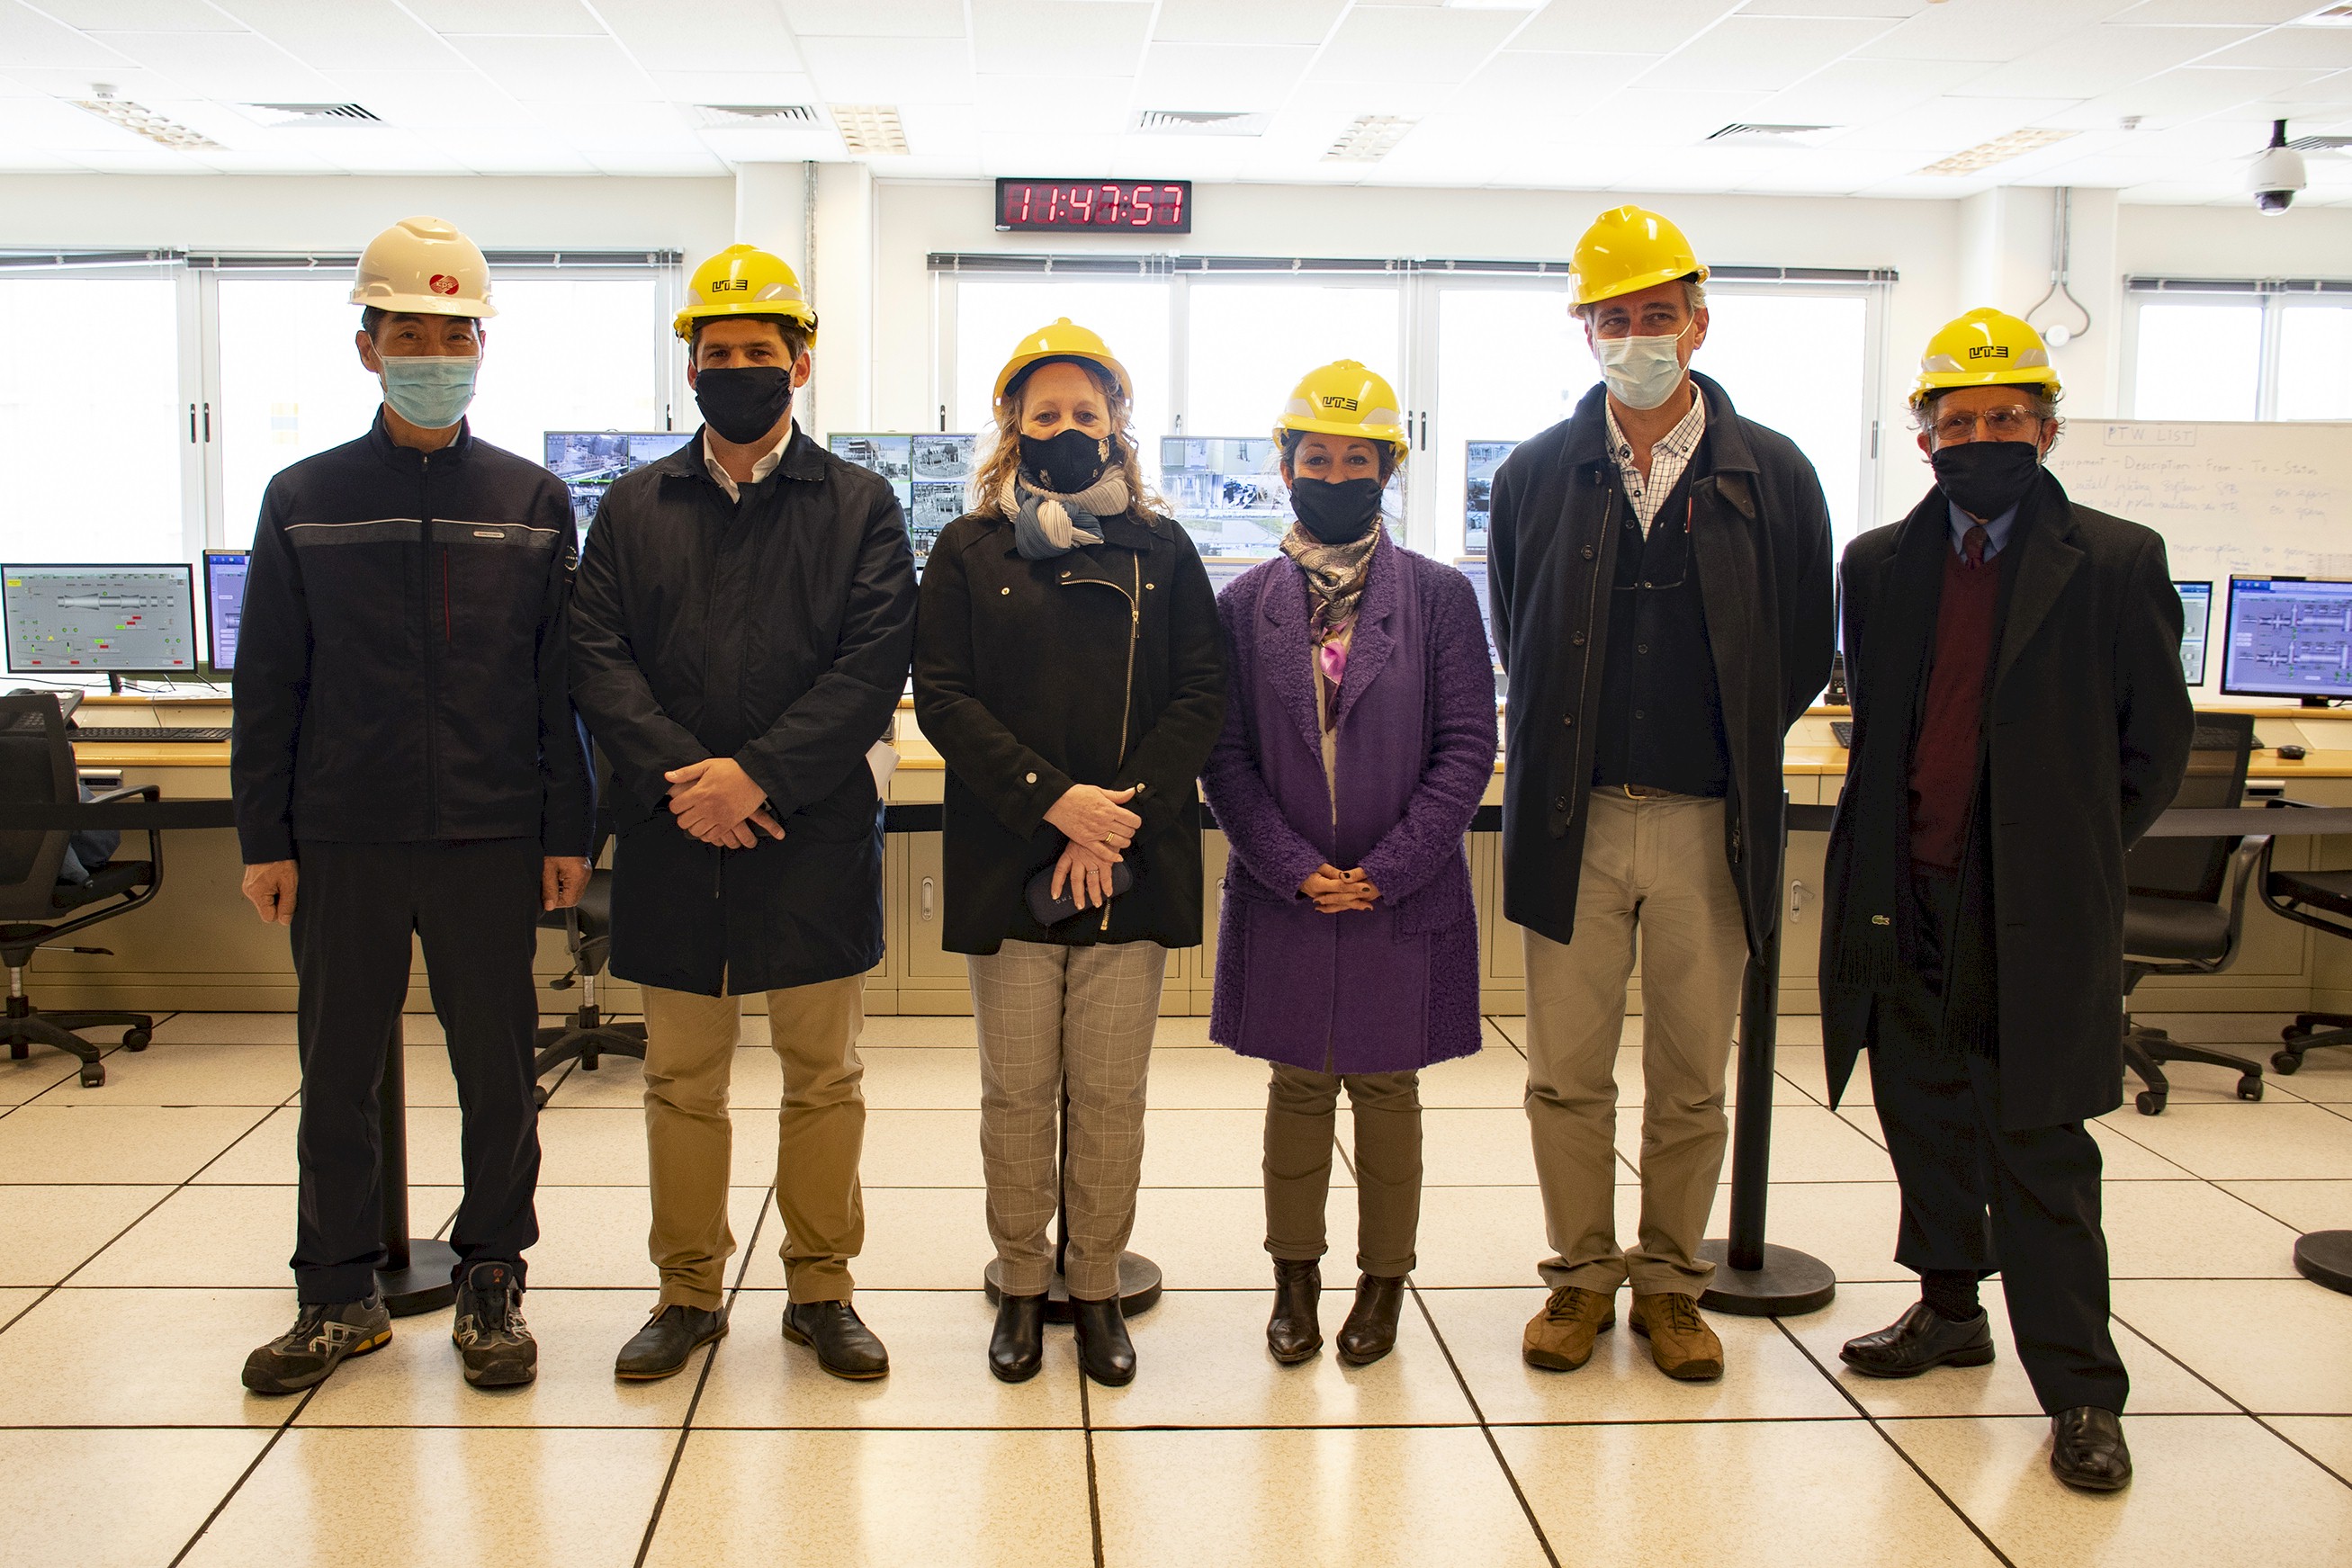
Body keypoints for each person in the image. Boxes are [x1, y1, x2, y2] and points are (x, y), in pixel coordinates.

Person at [1820, 308, 2193, 1493]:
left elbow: (2152, 751)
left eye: (2006, 418)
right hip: (1903, 893)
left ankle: (2082, 1387)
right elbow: (1882, 727)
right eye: (1960, 418)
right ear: (1923, 433)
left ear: (2043, 427)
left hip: (2033, 910)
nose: (1982, 435)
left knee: (2038, 1149)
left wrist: (2059, 855)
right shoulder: (1878, 562)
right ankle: (1946, 1309)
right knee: (1921, 1114)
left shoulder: (2117, 560)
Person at [232, 215, 592, 1394]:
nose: (433, 350)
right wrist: (263, 836)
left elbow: (558, 687)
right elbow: (270, 679)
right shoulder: (303, 497)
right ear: (367, 345)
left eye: (453, 333)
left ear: (480, 343)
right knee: (337, 1069)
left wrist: (565, 828)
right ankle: (334, 1292)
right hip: (345, 835)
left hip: (492, 836)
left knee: (499, 1067)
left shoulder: (533, 500)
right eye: (409, 331)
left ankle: (493, 1277)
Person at [1488, 205, 1835, 1383]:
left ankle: (1673, 1282)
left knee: (1693, 1075)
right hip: (1572, 819)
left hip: (1707, 821)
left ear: (1697, 319)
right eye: (1613, 318)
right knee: (1564, 1074)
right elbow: (1515, 625)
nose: (1635, 336)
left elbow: (1799, 651)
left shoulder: (1772, 471)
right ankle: (1582, 1277)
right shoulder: (1536, 471)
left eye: (1655, 315)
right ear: (1583, 328)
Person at [569, 245, 918, 1384]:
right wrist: (694, 781)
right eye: (716, 355)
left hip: (807, 832)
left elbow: (871, 665)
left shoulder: (860, 504)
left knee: (824, 1076)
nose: (735, 370)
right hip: (677, 835)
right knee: (682, 1080)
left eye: (757, 355)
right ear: (690, 368)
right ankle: (686, 1292)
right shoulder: (632, 506)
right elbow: (598, 658)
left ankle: (822, 1288)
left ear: (800, 364)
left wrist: (757, 775)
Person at [913, 319, 1225, 1388]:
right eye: (1043, 414)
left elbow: (1201, 696)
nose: (1064, 430)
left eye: (1084, 414)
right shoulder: (967, 550)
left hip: (1129, 858)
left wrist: (1112, 817)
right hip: (1011, 854)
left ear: (1117, 426)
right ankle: (1018, 1280)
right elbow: (944, 698)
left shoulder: (1161, 547)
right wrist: (1057, 807)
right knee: (1015, 1093)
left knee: (1107, 1093)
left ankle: (1092, 1288)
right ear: (1010, 424)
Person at [1199, 362, 1495, 1367]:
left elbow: (1466, 745)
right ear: (1284, 469)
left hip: (1398, 893)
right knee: (1294, 1089)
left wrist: (1394, 864)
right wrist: (1288, 864)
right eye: (1315, 458)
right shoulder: (1242, 606)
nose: (1334, 474)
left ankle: (1382, 1284)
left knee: (1385, 1090)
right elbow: (1224, 754)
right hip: (1287, 892)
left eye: (1354, 459)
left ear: (1386, 471)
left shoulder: (1442, 599)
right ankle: (1294, 1279)